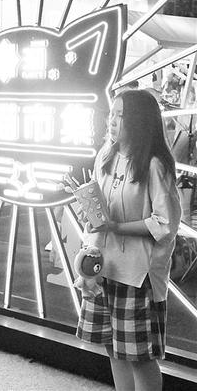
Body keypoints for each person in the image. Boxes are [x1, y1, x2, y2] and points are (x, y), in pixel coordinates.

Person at [76, 89, 181, 391]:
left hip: (137, 274)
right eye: (112, 113)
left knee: (140, 356)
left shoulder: (154, 164)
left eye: (121, 115)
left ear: (139, 121)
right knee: (112, 346)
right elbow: (101, 208)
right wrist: (91, 216)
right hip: (103, 267)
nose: (112, 121)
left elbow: (165, 223)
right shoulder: (106, 155)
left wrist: (117, 227)